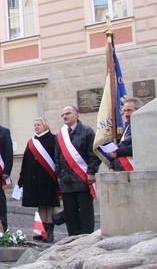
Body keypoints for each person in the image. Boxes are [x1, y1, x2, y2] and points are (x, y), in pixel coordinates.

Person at [55, 105, 100, 236]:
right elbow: (57, 157)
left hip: (82, 179)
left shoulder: (87, 132)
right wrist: (59, 175)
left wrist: (91, 172)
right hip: (66, 180)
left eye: (68, 113)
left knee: (85, 211)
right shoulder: (60, 135)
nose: (65, 116)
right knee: (70, 212)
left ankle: (87, 237)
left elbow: (94, 154)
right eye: (63, 114)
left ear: (77, 115)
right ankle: (73, 238)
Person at [18, 118, 59, 242]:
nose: (36, 127)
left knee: (49, 205)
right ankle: (42, 231)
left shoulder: (53, 139)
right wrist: (21, 179)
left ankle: (50, 231)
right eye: (34, 125)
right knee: (40, 205)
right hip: (34, 178)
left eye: (38, 124)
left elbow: (57, 157)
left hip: (48, 177)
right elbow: (25, 161)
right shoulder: (31, 142)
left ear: (45, 125)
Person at [111, 98, 142, 171]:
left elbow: (138, 147)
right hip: (123, 168)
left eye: (129, 110)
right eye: (124, 111)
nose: (126, 114)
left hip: (136, 168)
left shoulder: (142, 126)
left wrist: (118, 152)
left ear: (138, 110)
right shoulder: (128, 125)